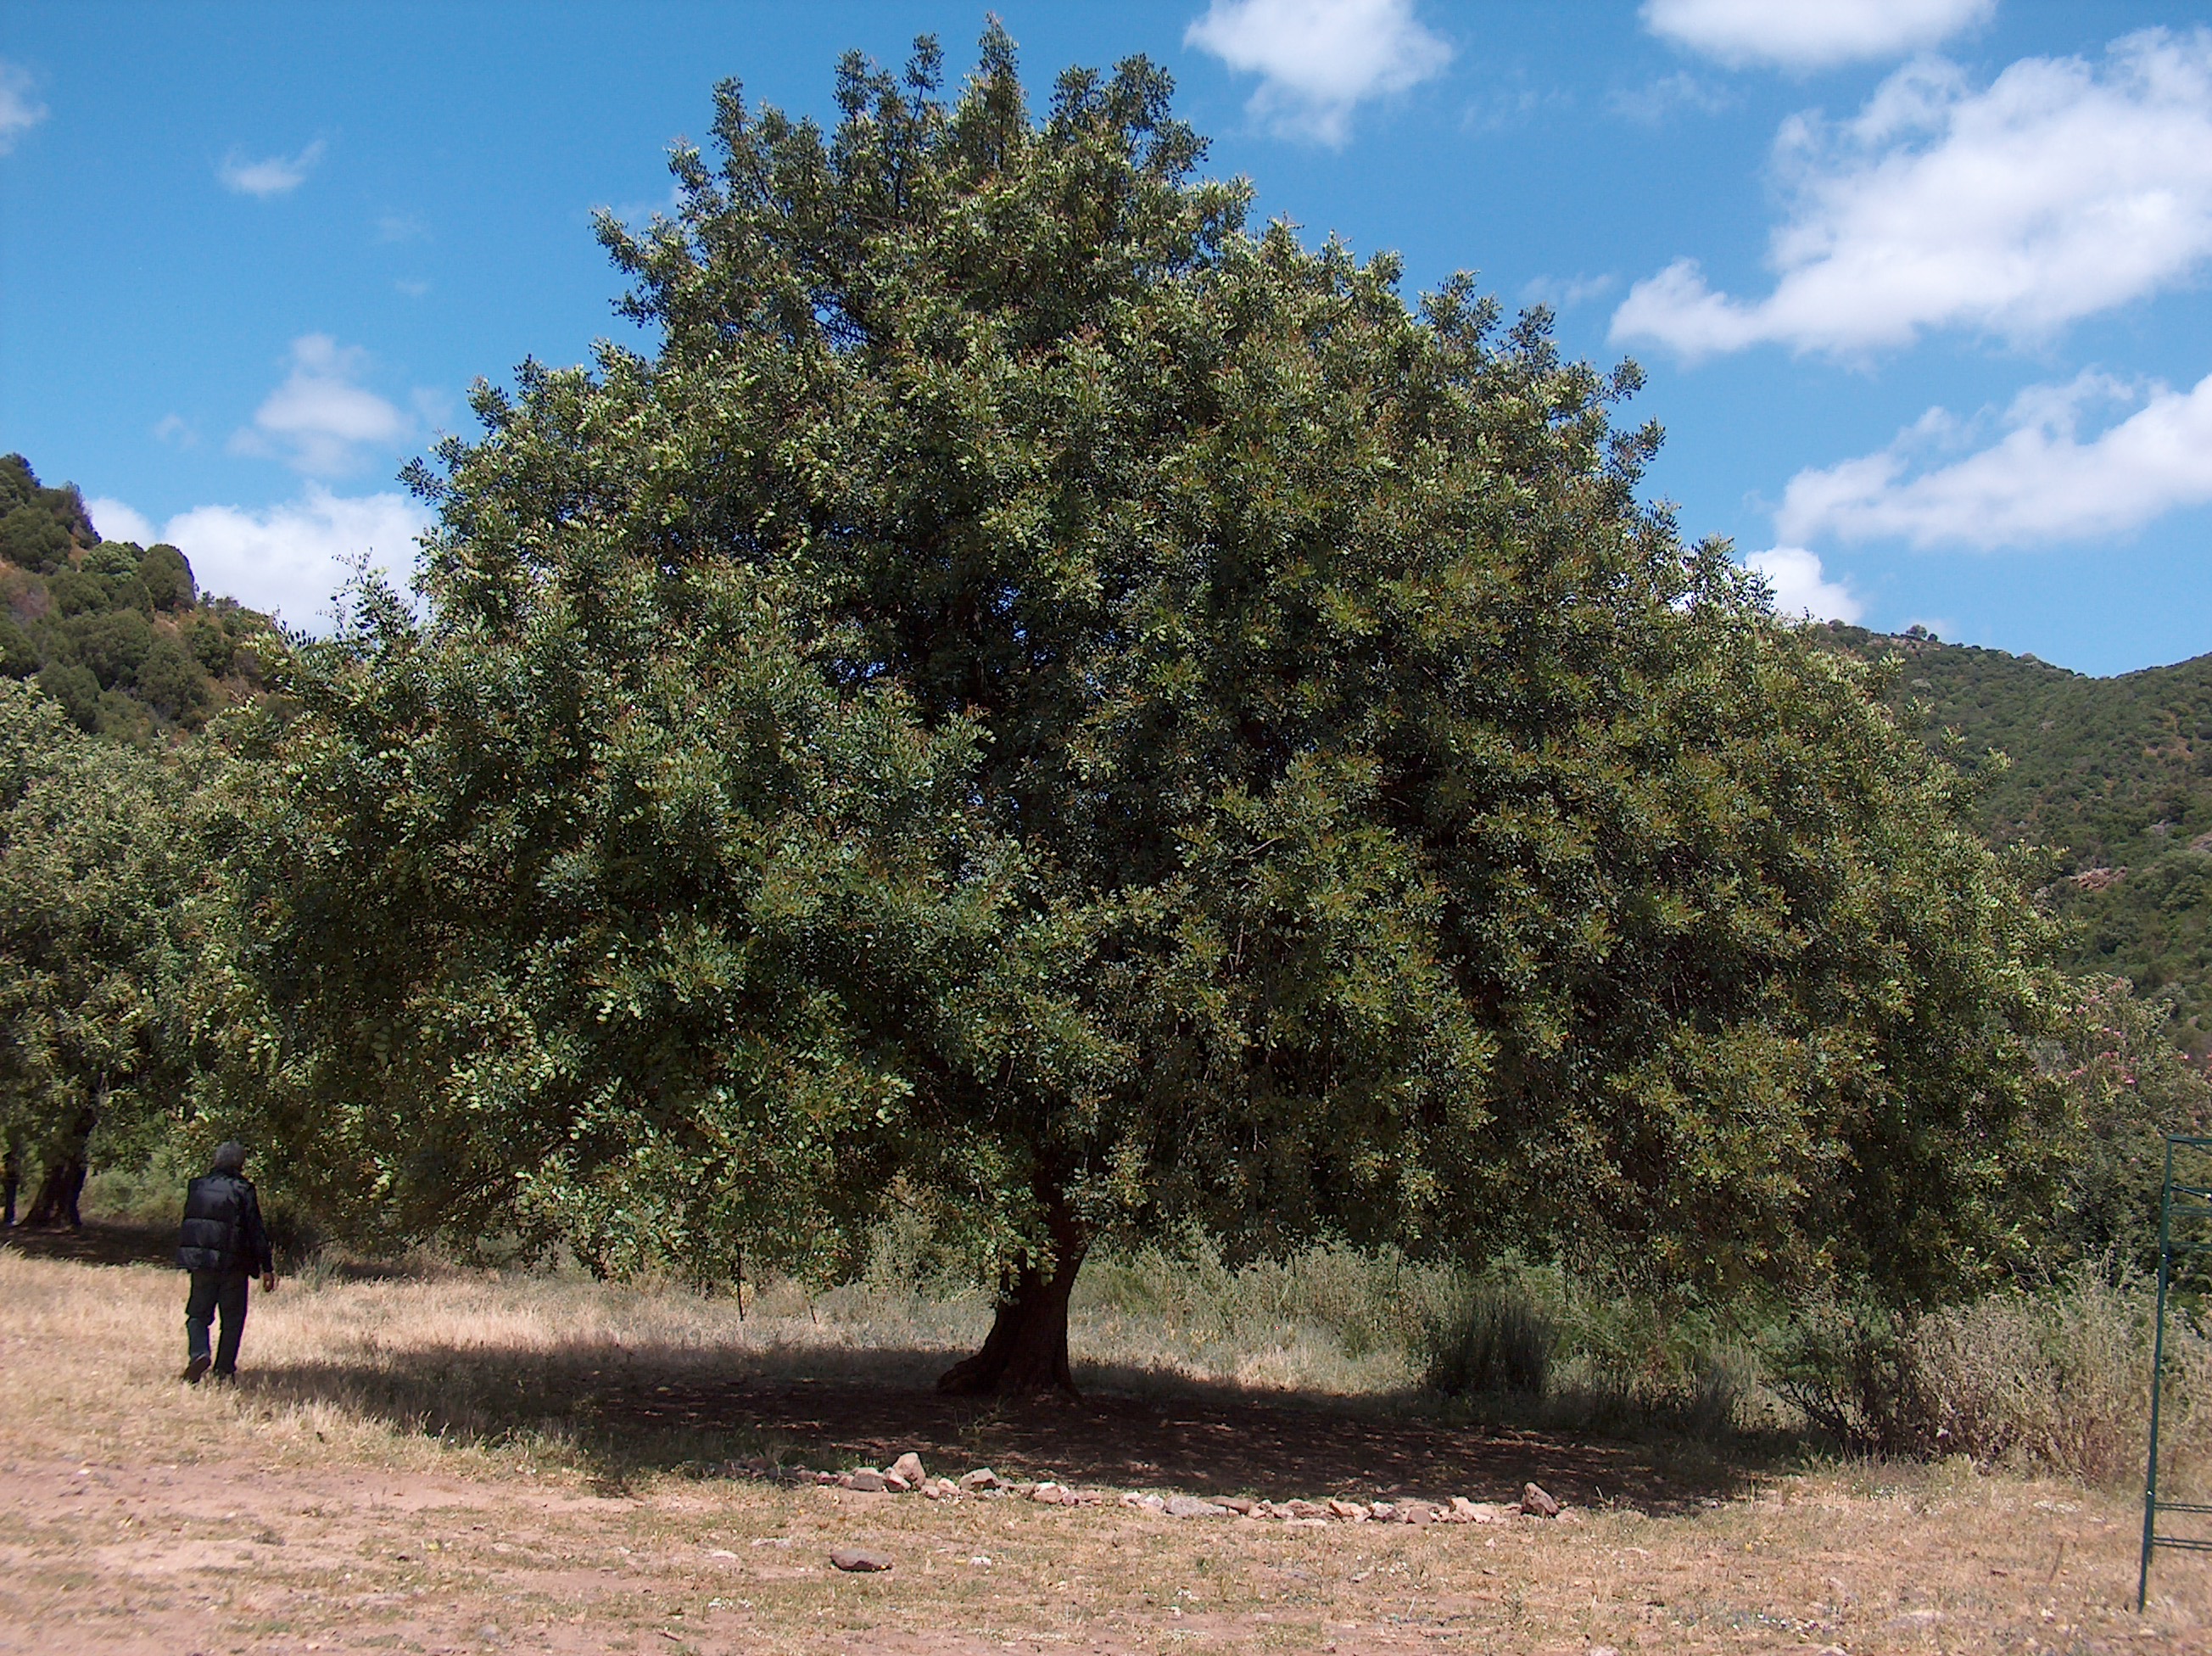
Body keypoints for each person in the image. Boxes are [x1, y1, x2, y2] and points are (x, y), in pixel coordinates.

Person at [175, 1141, 276, 1384]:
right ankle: (224, 1370)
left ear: (215, 1161)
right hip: (234, 1266)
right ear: (240, 1164)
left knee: (198, 1315)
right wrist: (267, 1267)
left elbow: (191, 1224)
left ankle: (199, 1353)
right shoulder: (243, 1189)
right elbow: (255, 1229)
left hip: (203, 1263)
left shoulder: (197, 1187)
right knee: (232, 1320)